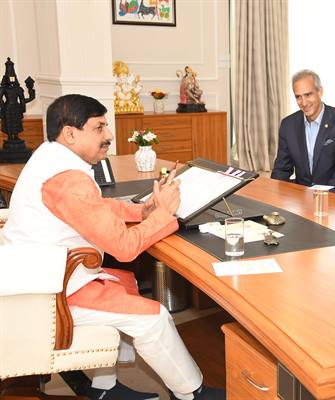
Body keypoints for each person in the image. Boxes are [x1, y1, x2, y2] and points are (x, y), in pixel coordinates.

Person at [3, 94, 224, 400]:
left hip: (39, 273)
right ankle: (192, 394)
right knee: (154, 317)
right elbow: (125, 247)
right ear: (70, 133)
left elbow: (95, 207)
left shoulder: (49, 157)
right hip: (48, 294)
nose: (108, 135)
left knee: (124, 282)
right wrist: (163, 214)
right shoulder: (67, 180)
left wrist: (143, 211)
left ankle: (103, 388)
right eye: (99, 128)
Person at [271, 69, 335, 193]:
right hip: (303, 195)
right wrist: (273, 194)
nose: (303, 103)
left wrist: (320, 197)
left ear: (320, 91)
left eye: (308, 95)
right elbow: (282, 169)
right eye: (298, 97)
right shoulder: (288, 125)